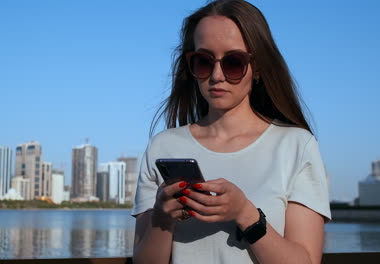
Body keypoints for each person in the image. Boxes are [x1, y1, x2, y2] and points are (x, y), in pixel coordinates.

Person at [131, 0, 331, 263]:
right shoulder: (162, 147)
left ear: (257, 67)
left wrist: (246, 214)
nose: (216, 75)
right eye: (203, 61)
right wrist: (162, 216)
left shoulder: (296, 146)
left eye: (233, 62)